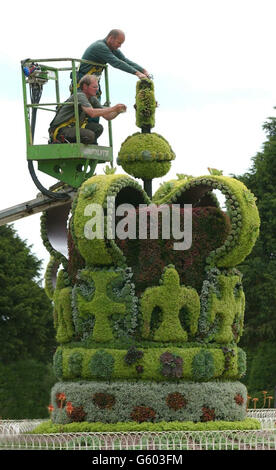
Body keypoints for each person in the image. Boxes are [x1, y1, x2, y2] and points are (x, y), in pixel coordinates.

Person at [49, 74, 126, 145]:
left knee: (98, 128)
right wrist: (113, 108)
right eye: (94, 87)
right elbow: (92, 113)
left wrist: (118, 111)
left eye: (97, 87)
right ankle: (61, 140)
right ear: (85, 86)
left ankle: (78, 144)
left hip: (74, 127)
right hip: (62, 129)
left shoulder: (92, 98)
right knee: (90, 136)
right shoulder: (79, 96)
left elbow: (107, 116)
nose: (97, 89)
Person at [77, 29, 150, 84]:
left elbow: (124, 60)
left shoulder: (112, 48)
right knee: (84, 103)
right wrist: (137, 73)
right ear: (111, 38)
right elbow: (116, 62)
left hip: (93, 82)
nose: (120, 46)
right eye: (119, 43)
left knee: (95, 103)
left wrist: (143, 70)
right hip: (82, 82)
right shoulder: (100, 46)